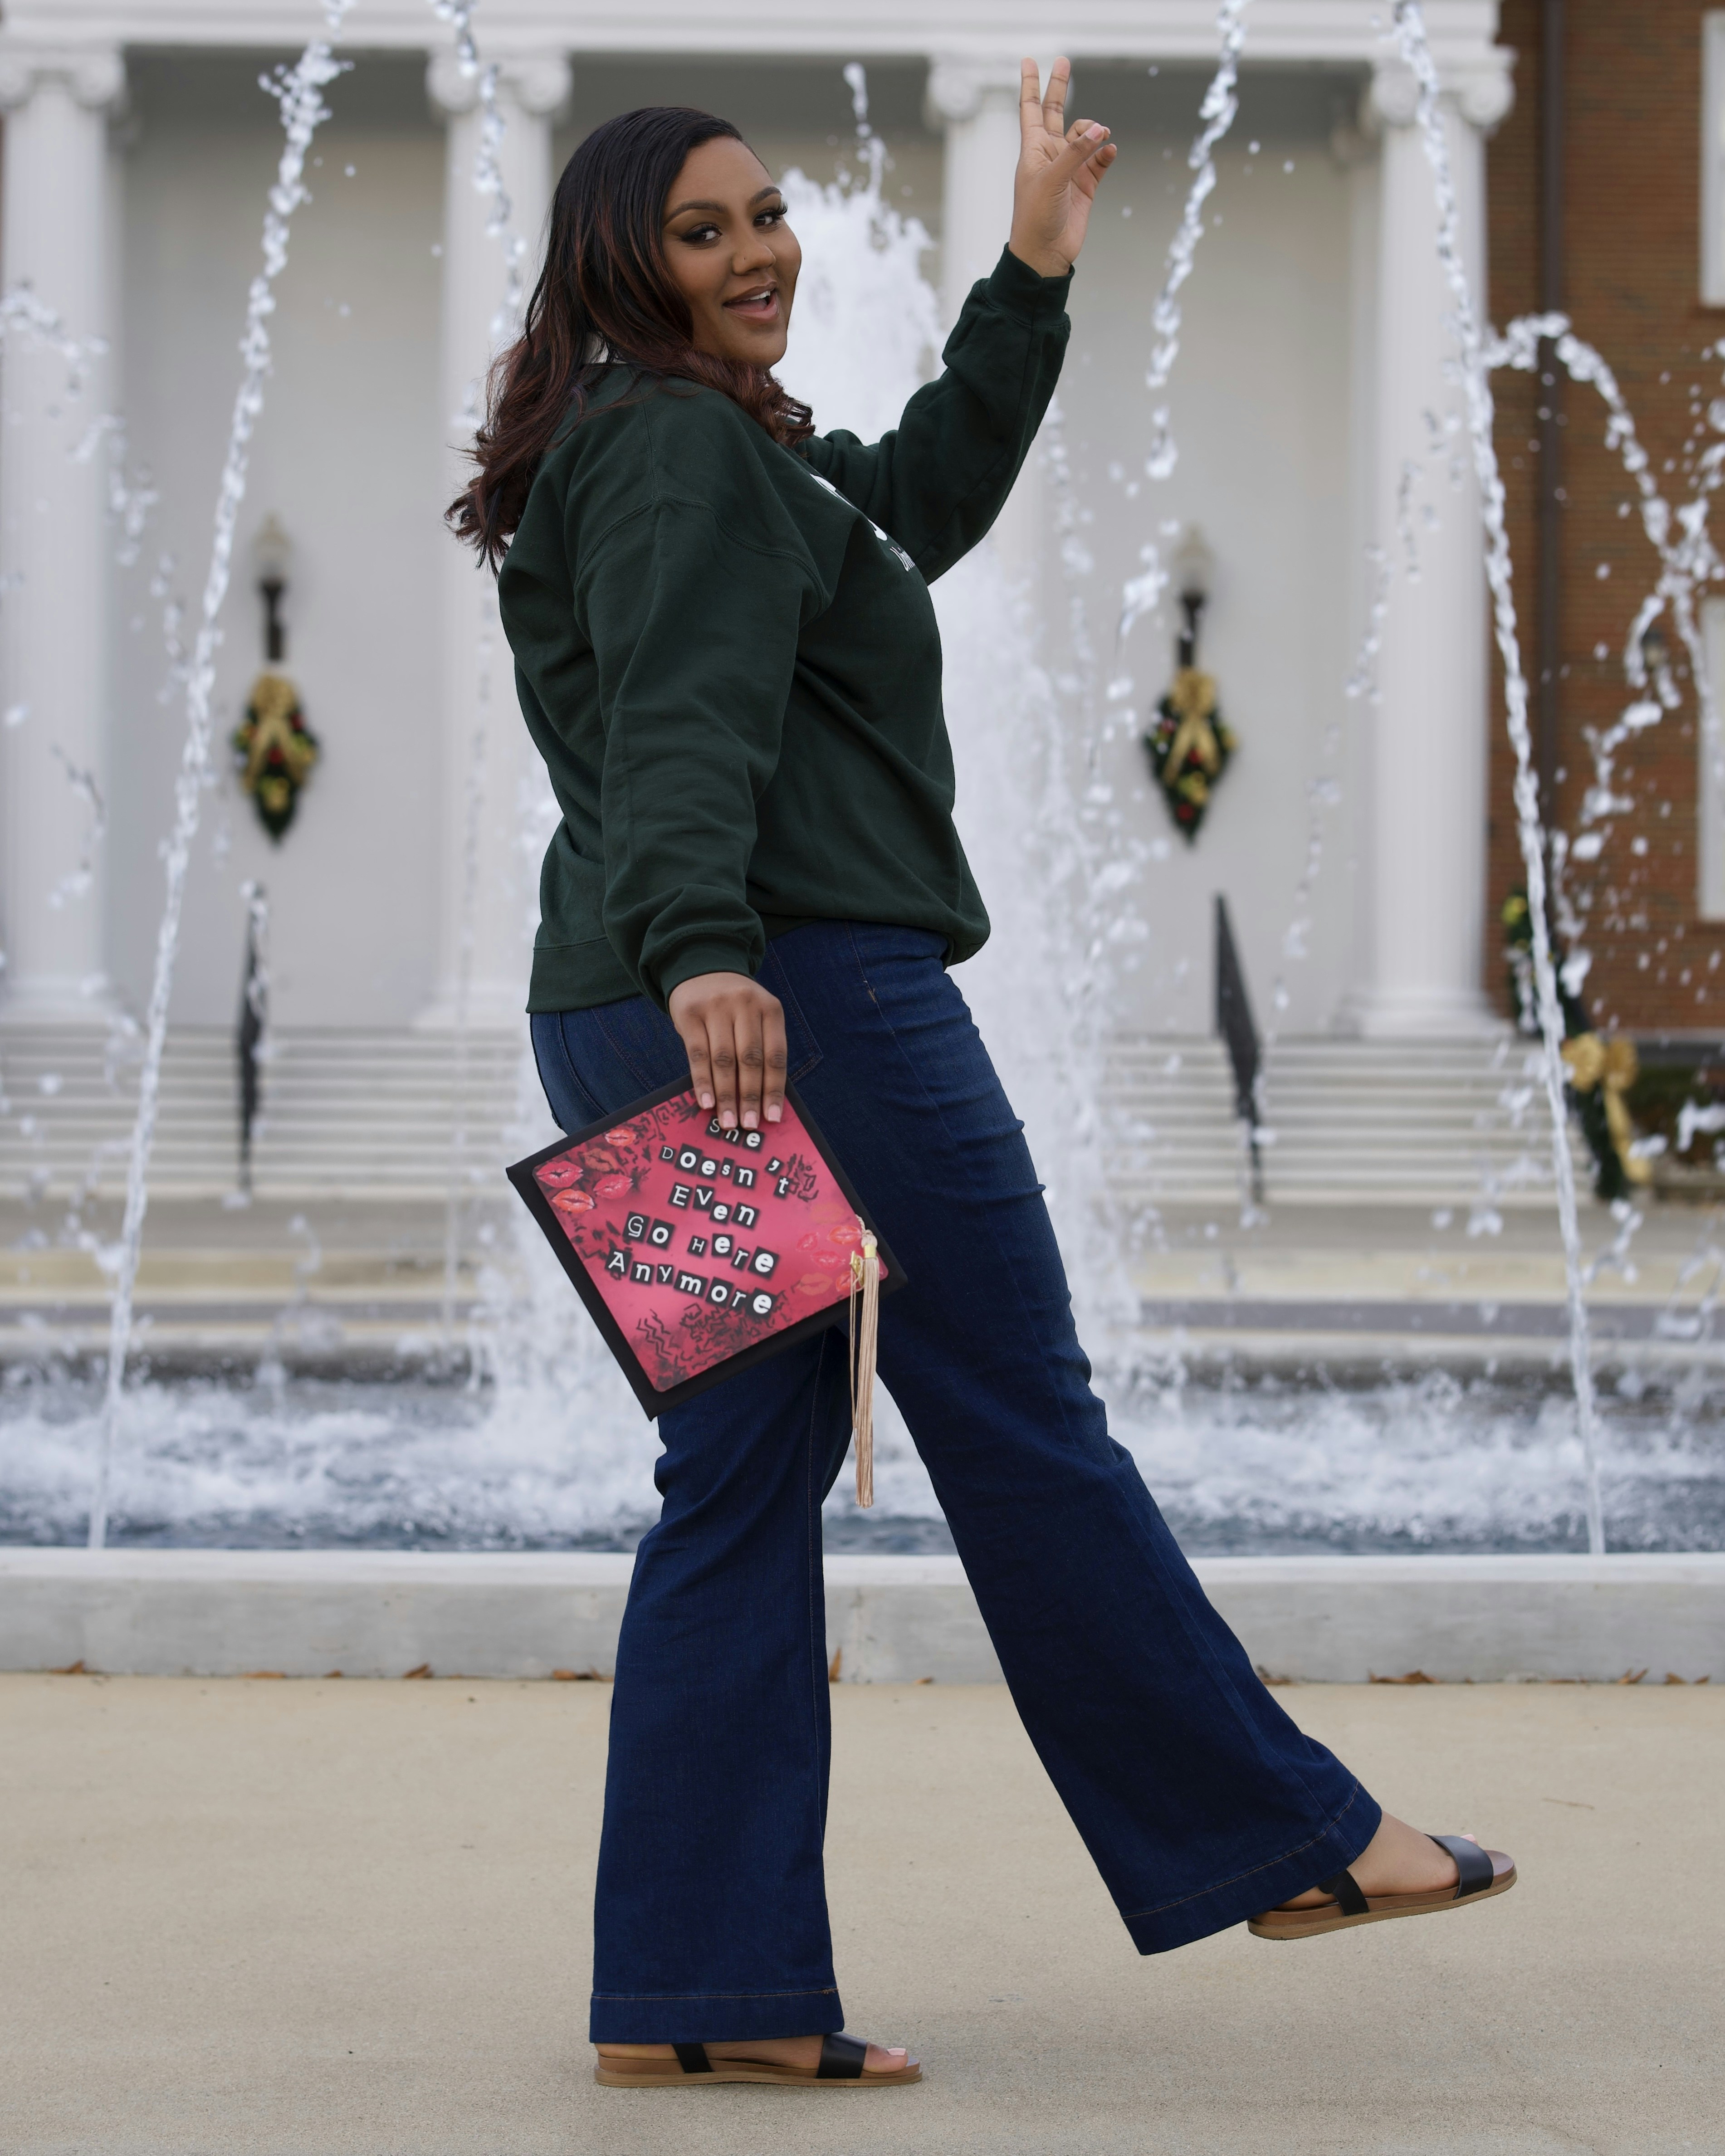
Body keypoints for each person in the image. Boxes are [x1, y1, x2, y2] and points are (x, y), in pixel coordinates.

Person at [450, 60, 1516, 2093]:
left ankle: (705, 1987)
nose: (758, 248)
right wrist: (711, 961)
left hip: (634, 1007)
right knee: (1020, 1406)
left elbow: (913, 503)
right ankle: (1287, 1839)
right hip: (785, 1004)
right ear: (621, 267)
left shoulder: (702, 446)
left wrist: (1031, 261)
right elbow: (682, 722)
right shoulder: (674, 454)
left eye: (765, 214)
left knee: (740, 1483)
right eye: (704, 229)